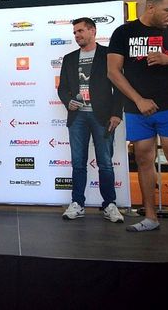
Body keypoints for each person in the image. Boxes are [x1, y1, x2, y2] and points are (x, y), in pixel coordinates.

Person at [108, 0, 168, 232]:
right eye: (167, 10)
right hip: (137, 109)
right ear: (151, 7)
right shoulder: (124, 32)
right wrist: (138, 100)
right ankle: (150, 217)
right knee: (143, 158)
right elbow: (113, 72)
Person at [58, 17, 124, 222]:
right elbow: (62, 88)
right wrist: (68, 101)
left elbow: (120, 86)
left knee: (105, 163)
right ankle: (77, 203)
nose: (77, 35)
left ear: (93, 31)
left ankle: (109, 204)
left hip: (102, 116)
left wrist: (116, 113)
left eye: (80, 31)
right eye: (74, 32)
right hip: (77, 118)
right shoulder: (69, 58)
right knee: (78, 163)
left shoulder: (108, 55)